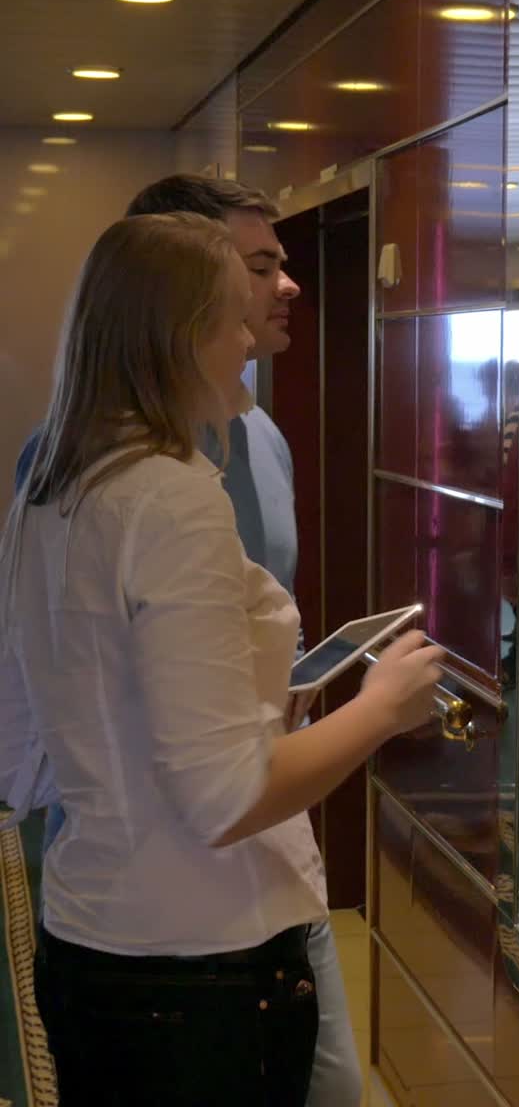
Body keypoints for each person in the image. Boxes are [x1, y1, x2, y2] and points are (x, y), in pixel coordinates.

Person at [0, 212, 444, 1107]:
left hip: (96, 933)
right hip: (197, 965)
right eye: (234, 320)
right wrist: (383, 704)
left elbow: (46, 734)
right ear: (180, 335)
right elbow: (225, 798)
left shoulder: (56, 486)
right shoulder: (168, 498)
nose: (250, 340)